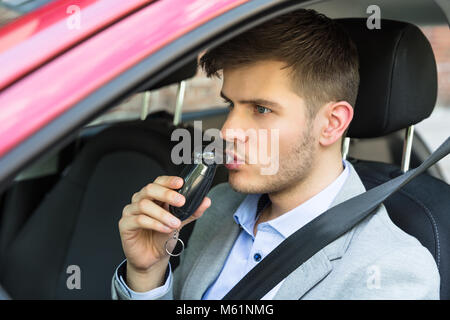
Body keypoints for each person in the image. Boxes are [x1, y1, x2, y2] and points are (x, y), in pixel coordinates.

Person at [111, 9, 440, 300]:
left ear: (331, 123)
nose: (227, 132)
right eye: (231, 104)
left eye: (261, 109)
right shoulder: (219, 206)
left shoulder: (391, 270)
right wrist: (146, 274)